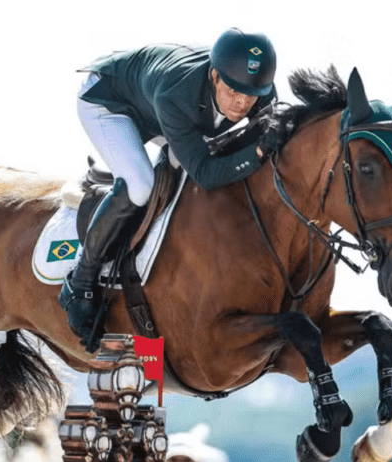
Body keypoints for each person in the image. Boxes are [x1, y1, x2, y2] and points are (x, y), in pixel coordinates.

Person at [60, 28, 282, 342]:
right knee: (140, 185)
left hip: (160, 104)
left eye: (251, 94)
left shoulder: (257, 90)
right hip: (110, 102)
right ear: (215, 76)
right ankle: (79, 281)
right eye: (233, 90)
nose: (242, 102)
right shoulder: (176, 94)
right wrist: (258, 151)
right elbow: (206, 172)